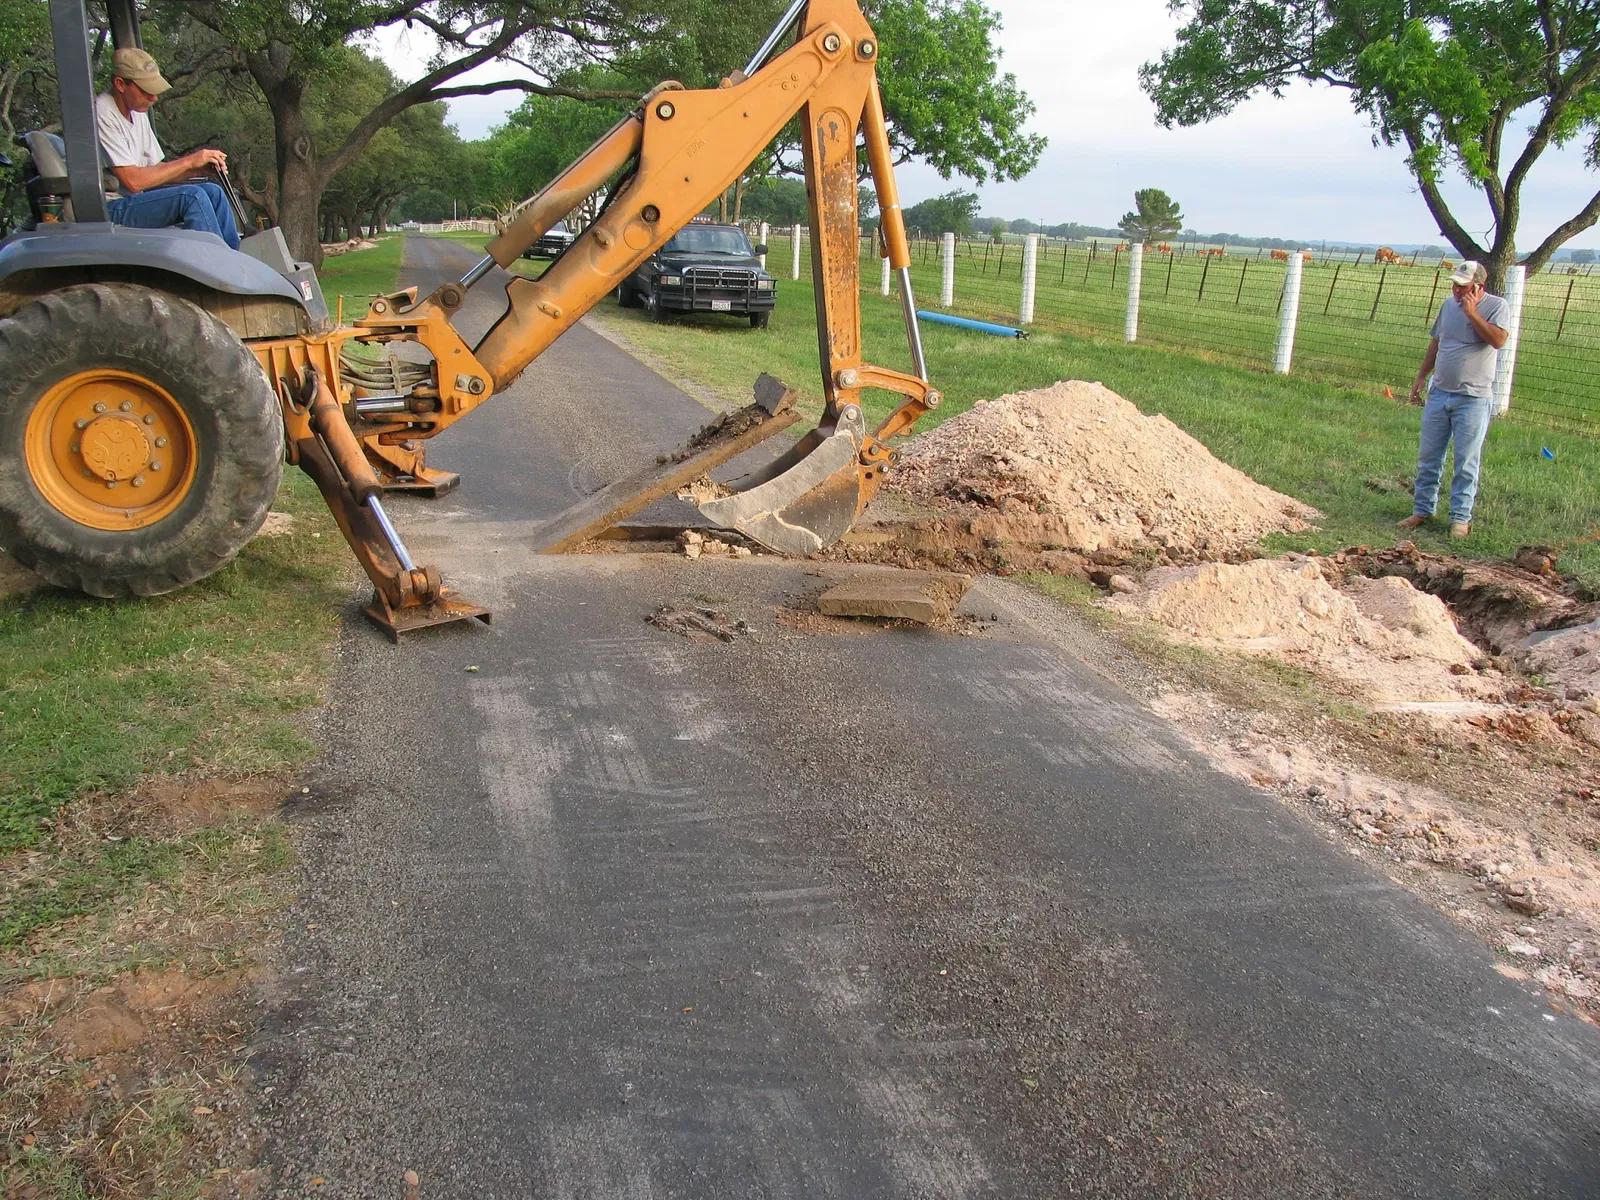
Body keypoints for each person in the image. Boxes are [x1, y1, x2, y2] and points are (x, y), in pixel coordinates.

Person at [1399, 260, 1510, 538]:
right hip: (1440, 392)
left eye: (1464, 287)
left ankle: (1461, 517)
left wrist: (1472, 313)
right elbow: (1437, 341)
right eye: (1455, 285)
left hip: (1472, 397)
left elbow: (1498, 340)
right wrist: (1422, 376)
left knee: (1466, 460)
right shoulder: (1448, 306)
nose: (1457, 291)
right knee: (1429, 455)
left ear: (1479, 286)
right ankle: (1422, 509)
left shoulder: (1497, 307)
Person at [94, 48, 240, 250]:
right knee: (191, 198)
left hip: (133, 202)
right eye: (145, 90)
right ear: (120, 84)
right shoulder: (102, 113)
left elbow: (156, 170)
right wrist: (189, 161)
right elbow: (134, 181)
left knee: (213, 192)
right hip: (109, 209)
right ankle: (221, 269)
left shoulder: (137, 112)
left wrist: (196, 170)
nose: (154, 98)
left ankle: (236, 261)